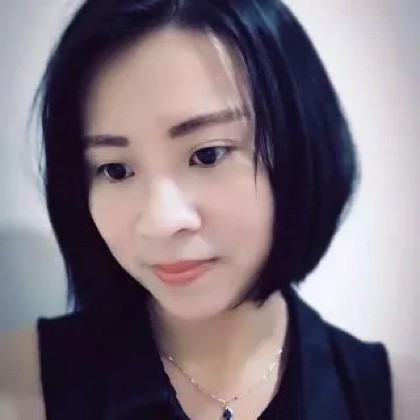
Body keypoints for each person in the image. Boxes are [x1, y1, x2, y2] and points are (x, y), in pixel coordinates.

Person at [0, 0, 393, 419]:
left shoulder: (394, 396)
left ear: (300, 146)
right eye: (115, 170)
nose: (161, 222)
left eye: (208, 155)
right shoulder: (19, 386)